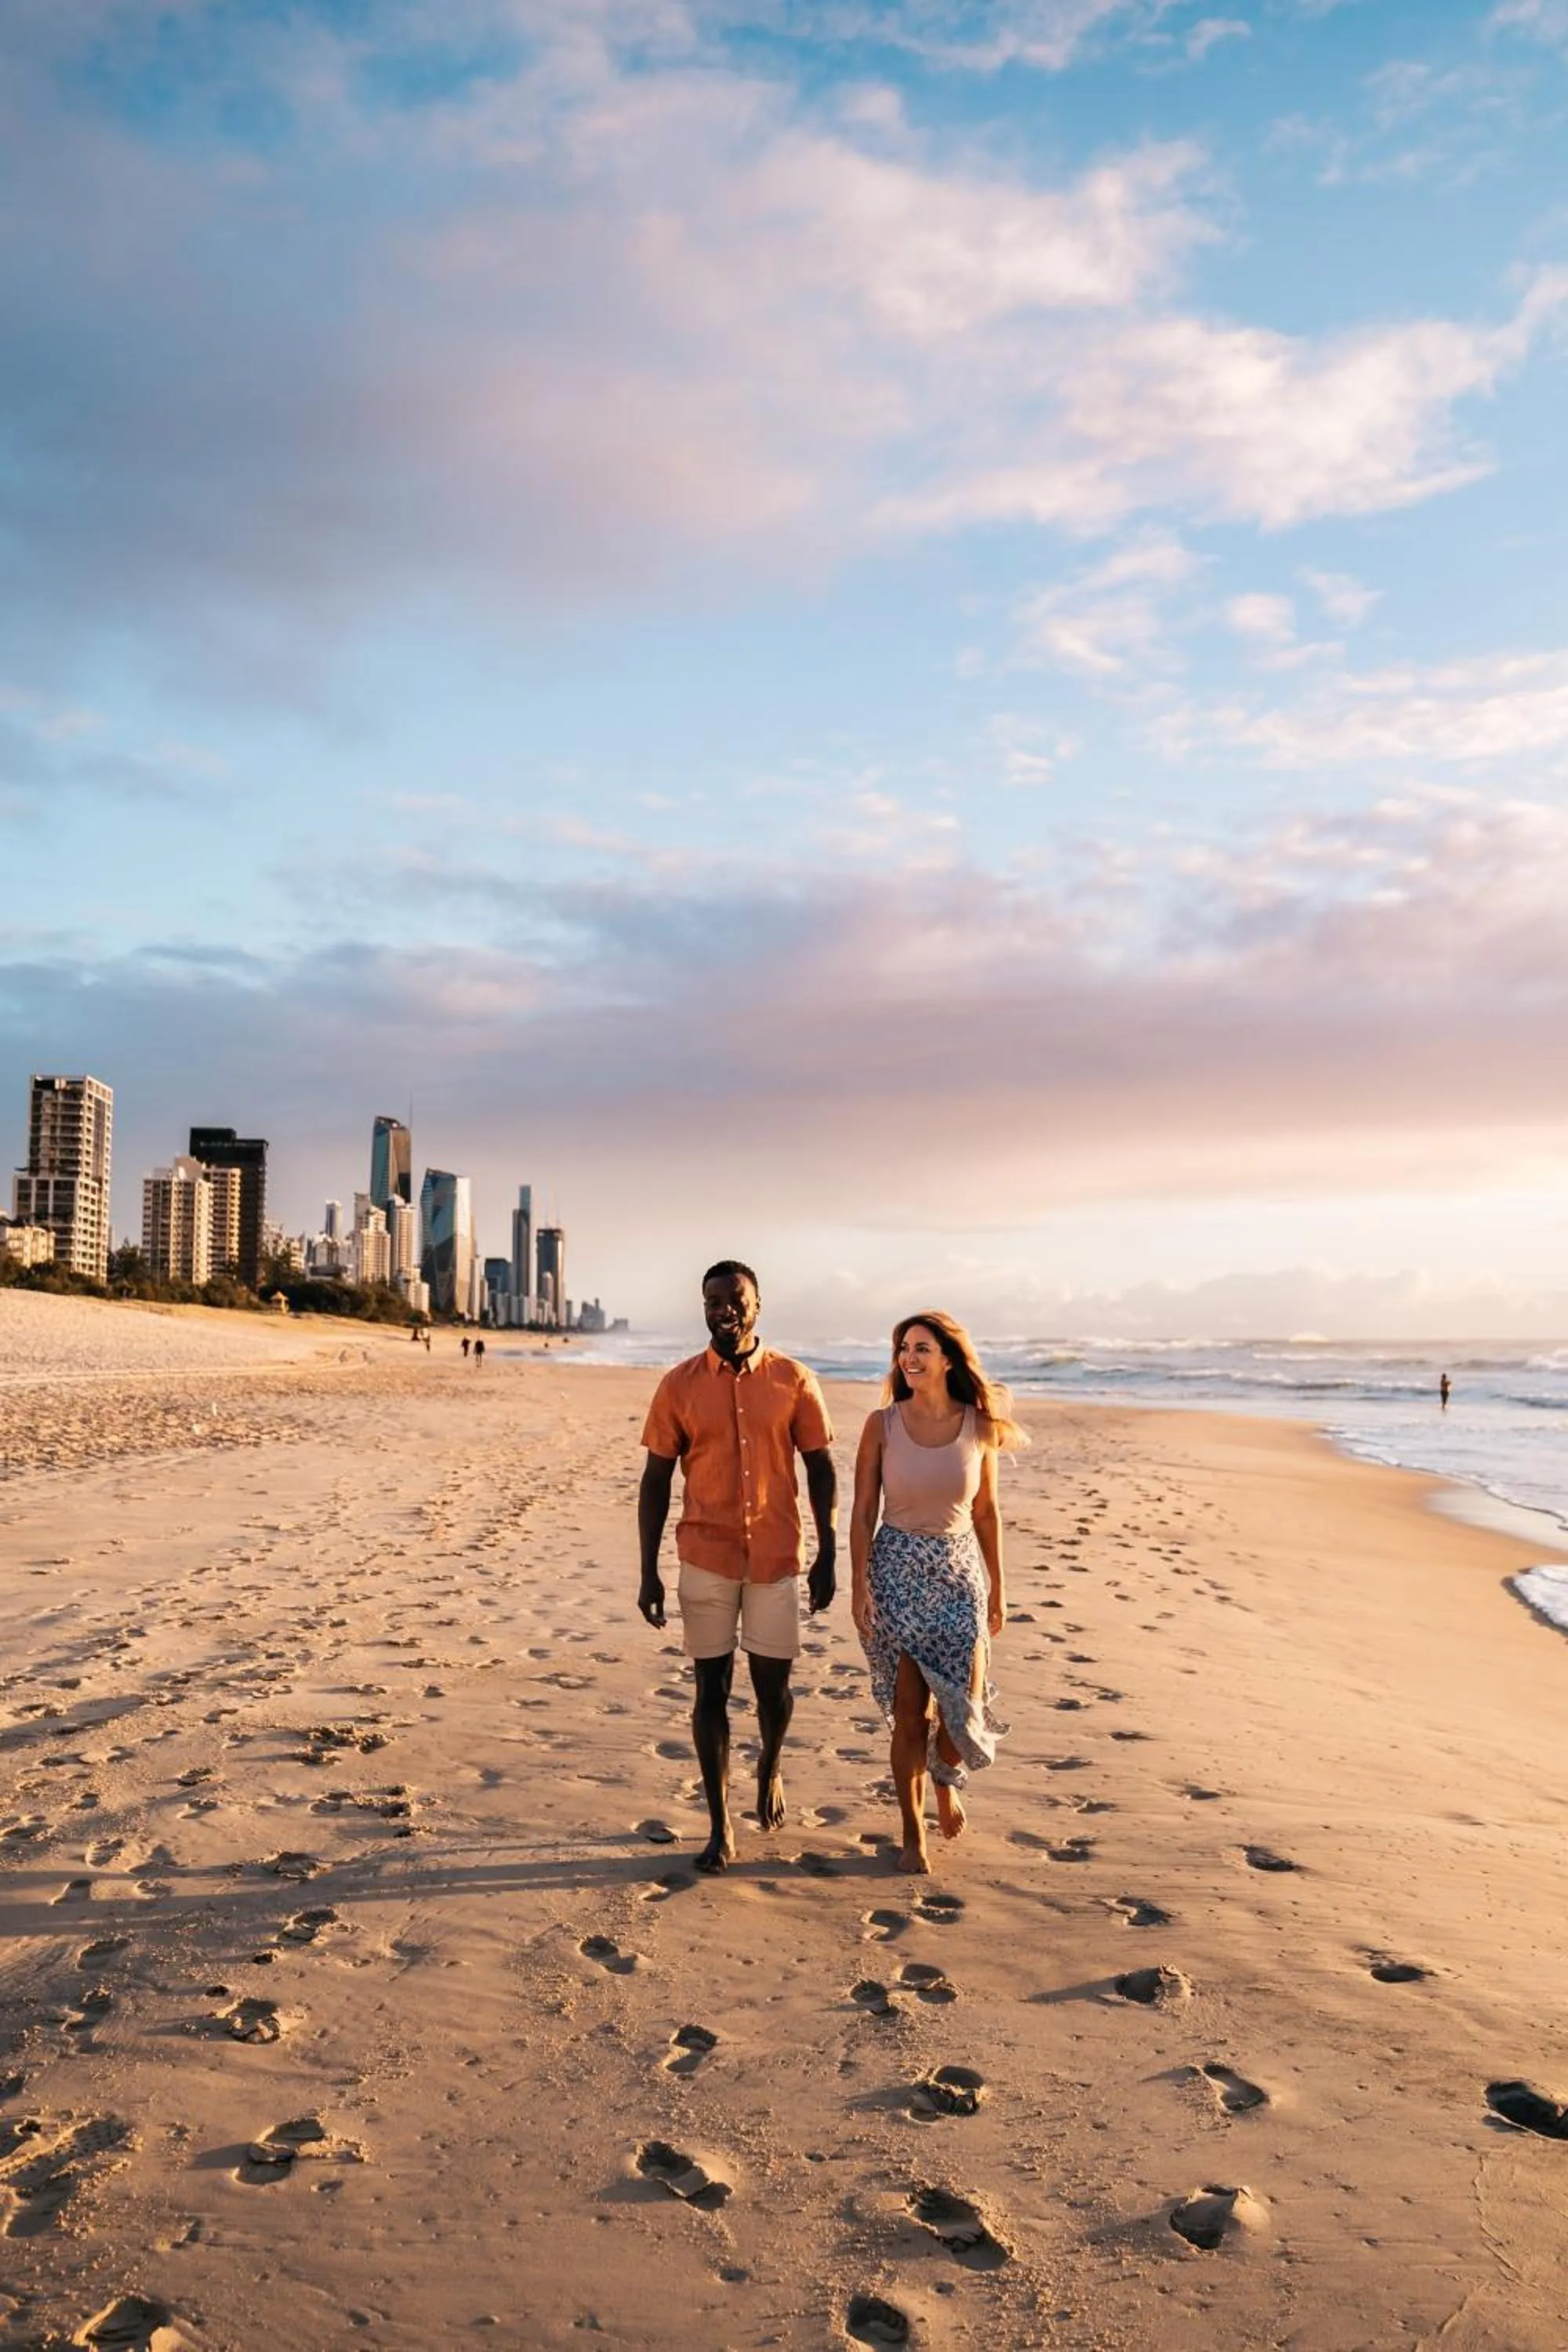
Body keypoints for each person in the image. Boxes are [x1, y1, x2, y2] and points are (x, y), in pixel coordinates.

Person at [637, 1261, 837, 1874]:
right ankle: (721, 1825)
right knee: (711, 1690)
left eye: (735, 1299)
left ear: (758, 1305)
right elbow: (654, 1481)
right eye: (712, 1301)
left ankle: (770, 1766)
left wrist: (829, 1553)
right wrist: (648, 1571)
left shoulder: (794, 1380)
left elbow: (822, 1469)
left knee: (774, 1691)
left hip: (778, 1556)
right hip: (706, 1556)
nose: (723, 1309)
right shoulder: (678, 1385)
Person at [851, 1312, 1023, 1875]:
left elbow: (987, 1511)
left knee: (960, 1716)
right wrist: (858, 1585)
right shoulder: (882, 1425)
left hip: (958, 1574)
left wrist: (998, 1586)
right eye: (903, 1348)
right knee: (908, 1714)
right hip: (896, 1569)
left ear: (948, 1358)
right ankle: (911, 1833)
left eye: (921, 1348)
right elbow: (861, 1510)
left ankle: (946, 1775)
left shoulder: (979, 1425)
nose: (909, 1357)